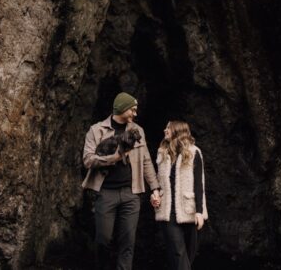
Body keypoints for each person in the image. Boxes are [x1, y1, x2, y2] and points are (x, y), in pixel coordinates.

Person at [82, 92, 162, 270]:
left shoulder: (137, 130)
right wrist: (114, 158)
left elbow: (146, 160)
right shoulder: (96, 130)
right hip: (106, 192)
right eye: (132, 110)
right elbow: (88, 160)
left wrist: (155, 188)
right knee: (103, 239)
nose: (135, 113)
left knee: (128, 241)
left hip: (131, 193)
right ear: (122, 109)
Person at [154, 120, 208, 270]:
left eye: (168, 128)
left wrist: (199, 211)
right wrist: (155, 195)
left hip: (189, 209)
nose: (165, 130)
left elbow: (199, 183)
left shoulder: (194, 152)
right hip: (167, 211)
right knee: (178, 252)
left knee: (187, 254)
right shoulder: (162, 153)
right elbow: (158, 181)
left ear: (177, 131)